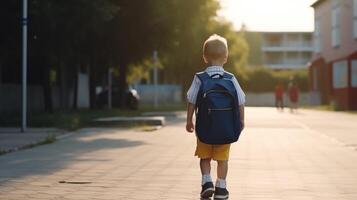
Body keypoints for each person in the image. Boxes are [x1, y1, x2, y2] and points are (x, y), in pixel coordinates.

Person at [186, 34, 245, 200]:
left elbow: (191, 100)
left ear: (204, 58)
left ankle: (206, 182)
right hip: (225, 128)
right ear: (226, 57)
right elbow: (241, 100)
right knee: (222, 159)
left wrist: (189, 120)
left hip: (204, 128)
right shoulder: (231, 78)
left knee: (205, 157)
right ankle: (221, 188)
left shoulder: (199, 78)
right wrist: (241, 121)